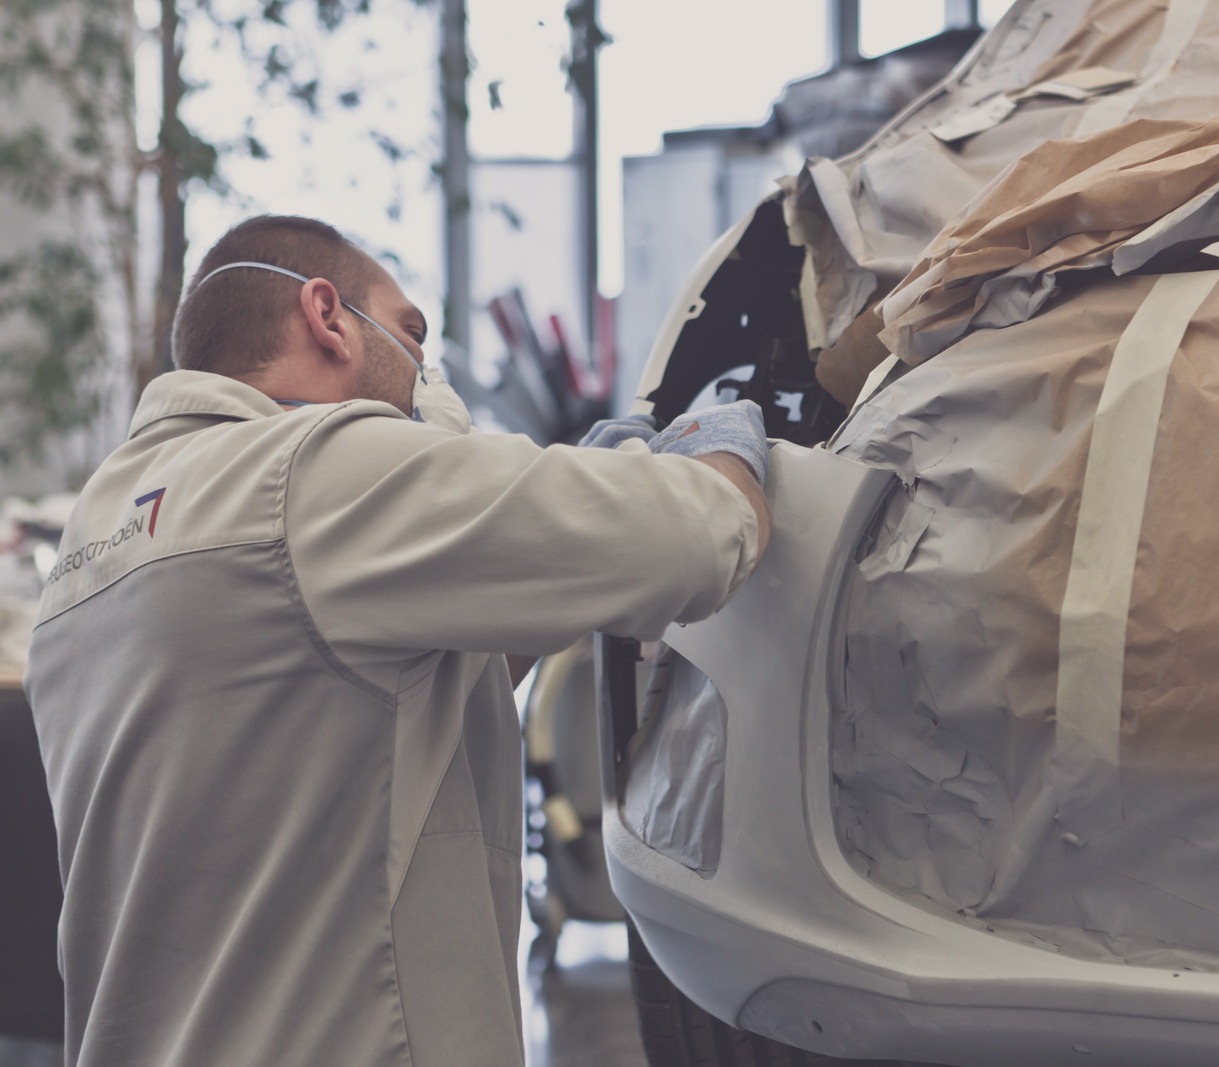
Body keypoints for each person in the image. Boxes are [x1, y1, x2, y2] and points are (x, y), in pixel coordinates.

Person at [24, 214, 771, 1067]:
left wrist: (561, 561)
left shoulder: (97, 536)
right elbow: (698, 532)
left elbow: (374, 707)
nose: (422, 369)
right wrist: (729, 448)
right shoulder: (311, 470)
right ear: (327, 316)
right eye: (412, 335)